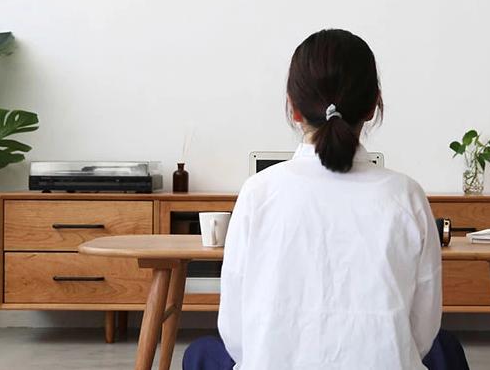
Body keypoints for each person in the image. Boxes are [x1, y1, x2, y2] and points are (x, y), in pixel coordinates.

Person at [183, 29, 469, 370]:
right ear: (373, 105)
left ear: (293, 108)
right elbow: (422, 331)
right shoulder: (406, 195)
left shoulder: (258, 192)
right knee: (446, 347)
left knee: (199, 353)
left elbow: (237, 334)